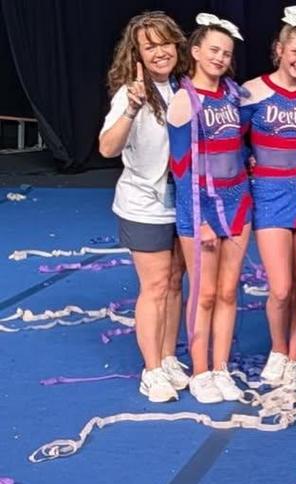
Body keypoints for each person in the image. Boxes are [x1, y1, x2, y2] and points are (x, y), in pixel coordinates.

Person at [99, 11, 188, 402]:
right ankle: (151, 370)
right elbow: (106, 147)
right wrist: (133, 108)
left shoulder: (185, 88)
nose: (159, 52)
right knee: (153, 285)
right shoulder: (129, 93)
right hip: (144, 205)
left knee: (173, 283)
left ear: (177, 46)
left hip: (182, 203)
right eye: (149, 46)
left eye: (164, 43)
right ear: (135, 53)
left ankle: (168, 356)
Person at [240, 6, 296, 389]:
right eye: (295, 52)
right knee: (279, 287)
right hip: (269, 194)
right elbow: (233, 141)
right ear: (279, 49)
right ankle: (278, 350)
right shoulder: (251, 91)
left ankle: (295, 356)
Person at [166, 14, 249, 404]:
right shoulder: (185, 99)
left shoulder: (232, 95)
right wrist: (199, 220)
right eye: (213, 50)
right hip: (200, 207)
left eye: (226, 53)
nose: (219, 57)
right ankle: (199, 371)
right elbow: (181, 168)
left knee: (230, 292)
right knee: (204, 293)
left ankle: (220, 367)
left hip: (238, 203)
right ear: (195, 52)